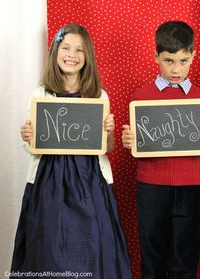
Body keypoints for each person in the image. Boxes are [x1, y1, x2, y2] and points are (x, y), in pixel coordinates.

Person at [11, 24, 132, 279]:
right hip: (48, 181)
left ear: (87, 56)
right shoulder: (40, 94)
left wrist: (109, 133)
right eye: (66, 48)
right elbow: (33, 146)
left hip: (90, 180)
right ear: (55, 51)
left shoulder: (98, 95)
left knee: (94, 244)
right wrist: (28, 136)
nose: (72, 55)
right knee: (48, 244)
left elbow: (106, 148)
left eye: (79, 50)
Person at [122, 21, 200, 279]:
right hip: (152, 187)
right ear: (156, 56)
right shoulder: (141, 97)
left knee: (184, 260)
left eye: (183, 61)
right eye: (168, 61)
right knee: (152, 259)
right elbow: (137, 146)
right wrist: (129, 141)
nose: (176, 69)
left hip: (191, 187)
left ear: (193, 56)